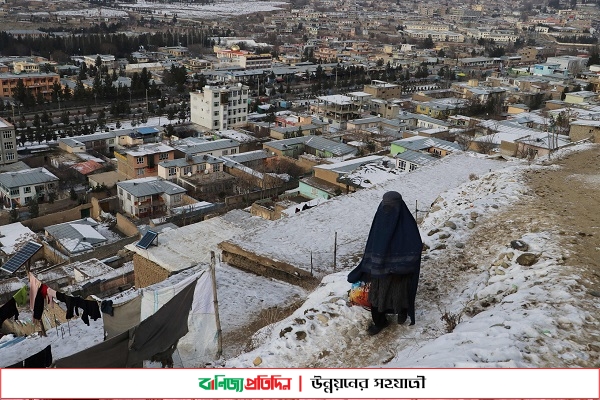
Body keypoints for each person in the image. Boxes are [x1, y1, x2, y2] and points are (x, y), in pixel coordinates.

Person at [348, 191, 423, 335]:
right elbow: (373, 243)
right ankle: (380, 321)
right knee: (377, 297)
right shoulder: (381, 217)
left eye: (391, 206)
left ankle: (401, 312)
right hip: (380, 269)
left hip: (399, 272)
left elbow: (415, 245)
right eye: (386, 205)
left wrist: (401, 264)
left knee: (399, 293)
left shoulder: (405, 222)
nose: (388, 209)